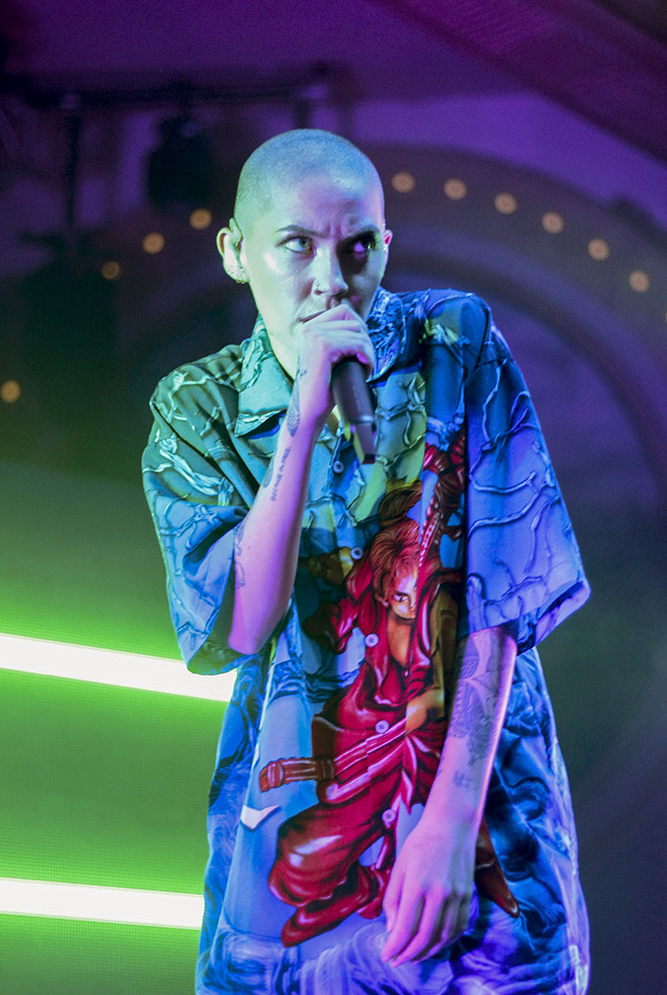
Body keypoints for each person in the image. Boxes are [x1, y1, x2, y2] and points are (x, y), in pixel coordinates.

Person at [142, 129, 591, 995]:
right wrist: (304, 416)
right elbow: (237, 623)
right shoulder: (196, 406)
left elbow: (501, 599)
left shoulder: (454, 342)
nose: (329, 279)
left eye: (356, 249)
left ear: (385, 246)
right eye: (296, 247)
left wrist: (453, 820)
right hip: (298, 812)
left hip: (474, 796)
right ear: (237, 253)